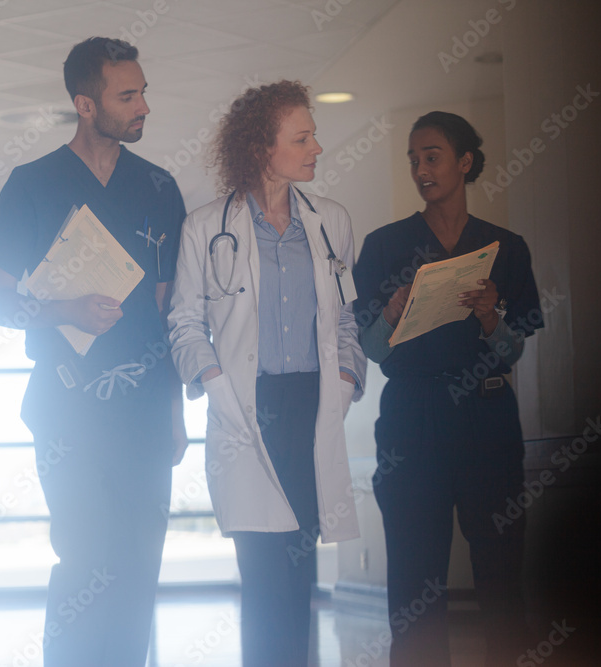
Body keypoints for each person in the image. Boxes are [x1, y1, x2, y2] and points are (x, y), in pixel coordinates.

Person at [0, 37, 187, 666]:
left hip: (147, 406)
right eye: (129, 95)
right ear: (86, 105)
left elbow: (168, 310)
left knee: (141, 555)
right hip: (66, 405)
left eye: (144, 91)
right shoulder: (31, 185)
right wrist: (65, 310)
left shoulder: (158, 188)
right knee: (85, 553)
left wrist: (176, 412)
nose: (144, 104)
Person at [168, 80, 366, 667]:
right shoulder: (206, 228)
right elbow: (183, 323)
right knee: (260, 574)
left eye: (313, 135)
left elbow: (347, 320)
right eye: (301, 138)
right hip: (244, 410)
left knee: (299, 569)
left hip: (311, 406)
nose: (316, 148)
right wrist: (211, 382)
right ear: (261, 148)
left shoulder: (330, 222)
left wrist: (348, 381)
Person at [352, 111, 542, 666]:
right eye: (413, 159)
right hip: (411, 417)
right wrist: (389, 313)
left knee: (501, 570)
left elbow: (512, 353)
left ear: (464, 162)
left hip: (487, 414)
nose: (420, 168)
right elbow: (373, 350)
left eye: (431, 156)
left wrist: (489, 316)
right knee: (415, 576)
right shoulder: (385, 246)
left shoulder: (505, 248)